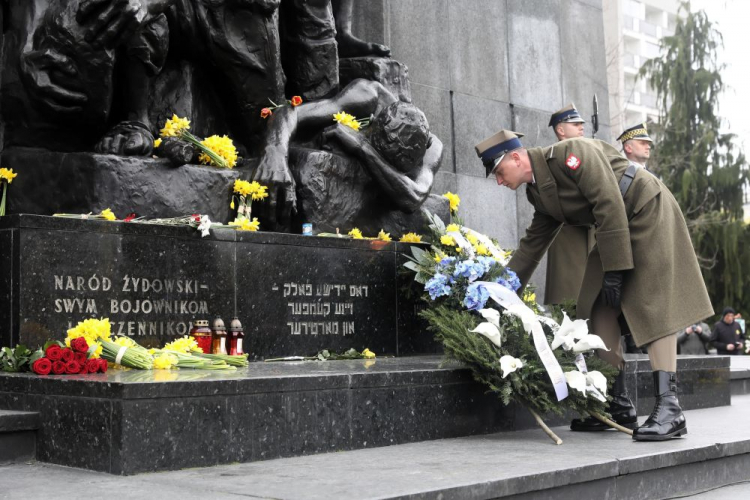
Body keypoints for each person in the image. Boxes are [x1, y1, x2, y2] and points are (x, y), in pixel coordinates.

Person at [474, 130, 714, 441]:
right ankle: (616, 402)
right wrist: (501, 294)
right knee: (597, 307)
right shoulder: (538, 192)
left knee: (652, 301)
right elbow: (533, 245)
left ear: (516, 158)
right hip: (615, 225)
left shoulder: (569, 154)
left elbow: (608, 200)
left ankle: (670, 408)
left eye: (498, 172)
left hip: (643, 208)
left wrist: (615, 270)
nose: (499, 181)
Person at [254, 78, 443, 231]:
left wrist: (361, 147)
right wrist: (275, 153)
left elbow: (413, 198)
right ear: (372, 122)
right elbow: (292, 112)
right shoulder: (366, 96)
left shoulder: (431, 149)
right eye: (379, 152)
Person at [544, 104, 590, 305]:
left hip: (587, 236)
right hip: (569, 239)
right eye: (575, 124)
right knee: (570, 300)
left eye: (581, 123)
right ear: (560, 130)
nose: (581, 127)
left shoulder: (579, 152)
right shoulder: (559, 155)